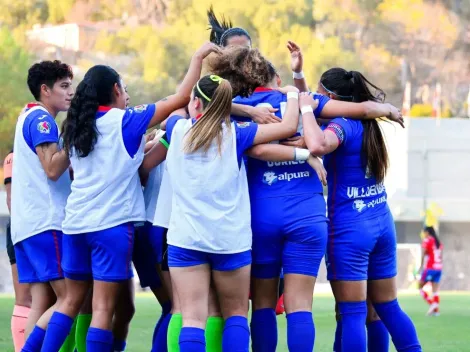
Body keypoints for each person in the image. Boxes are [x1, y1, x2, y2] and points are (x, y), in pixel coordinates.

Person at [209, 45, 403, 352]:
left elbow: (192, 108)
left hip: (261, 216)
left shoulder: (233, 106)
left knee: (262, 305)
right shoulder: (301, 101)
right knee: (300, 305)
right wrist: (386, 109)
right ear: (273, 76)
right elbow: (358, 110)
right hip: (308, 218)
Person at [34, 42, 219, 352]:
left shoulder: (77, 126)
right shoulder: (127, 121)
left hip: (75, 226)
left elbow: (131, 161)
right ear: (117, 91)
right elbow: (181, 98)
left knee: (70, 303)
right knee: (104, 310)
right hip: (112, 228)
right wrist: (198, 58)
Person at [161, 72, 301, 351]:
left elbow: (173, 110)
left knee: (191, 318)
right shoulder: (237, 134)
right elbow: (288, 126)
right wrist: (295, 94)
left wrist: (229, 106)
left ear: (197, 104)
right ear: (225, 106)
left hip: (185, 239)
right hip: (230, 241)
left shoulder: (177, 129)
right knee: (236, 314)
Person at [300, 67, 422, 352]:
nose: (316, 100)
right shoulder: (370, 125)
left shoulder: (341, 126)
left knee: (352, 313)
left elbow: (318, 142)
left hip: (351, 230)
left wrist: (305, 110)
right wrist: (299, 76)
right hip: (381, 223)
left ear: (330, 97)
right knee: (386, 307)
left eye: (319, 95)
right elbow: (313, 105)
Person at [10, 60, 74, 352]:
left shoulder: (28, 116)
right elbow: (52, 168)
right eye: (63, 86)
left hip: (26, 226)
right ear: (45, 90)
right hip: (46, 222)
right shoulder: (42, 120)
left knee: (44, 301)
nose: (69, 92)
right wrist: (76, 137)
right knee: (70, 298)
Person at [4, 149, 32, 352]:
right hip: (24, 229)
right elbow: (11, 199)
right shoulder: (14, 157)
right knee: (25, 299)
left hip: (33, 227)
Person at [418, 226, 443, 316]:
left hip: (430, 268)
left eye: (424, 232)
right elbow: (441, 256)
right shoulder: (438, 242)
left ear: (427, 232)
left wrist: (421, 266)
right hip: (439, 268)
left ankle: (432, 304)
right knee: (435, 290)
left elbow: (423, 254)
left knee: (420, 286)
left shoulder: (427, 240)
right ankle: (436, 311)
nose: (423, 234)